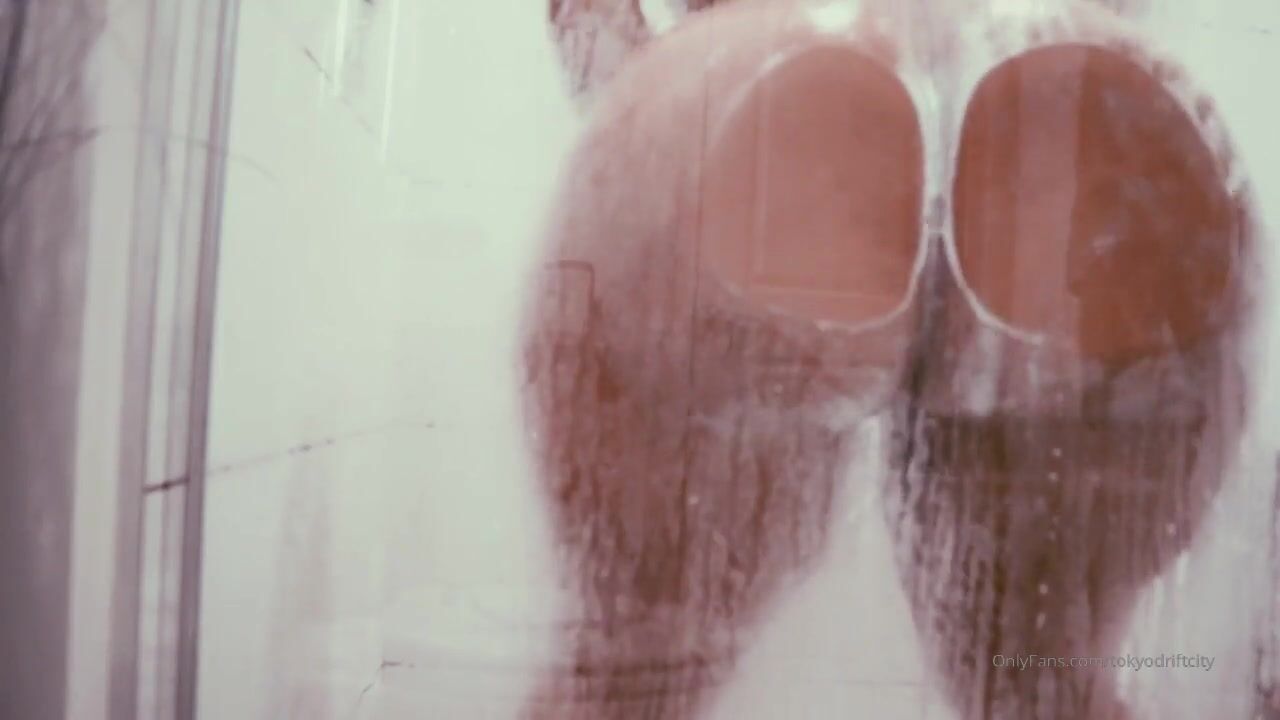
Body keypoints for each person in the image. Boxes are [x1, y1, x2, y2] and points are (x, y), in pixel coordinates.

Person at [520, 1, 1258, 717]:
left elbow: (591, 24)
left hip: (759, 58)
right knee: (1044, 681)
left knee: (631, 666)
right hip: (1066, 95)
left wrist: (662, 124)